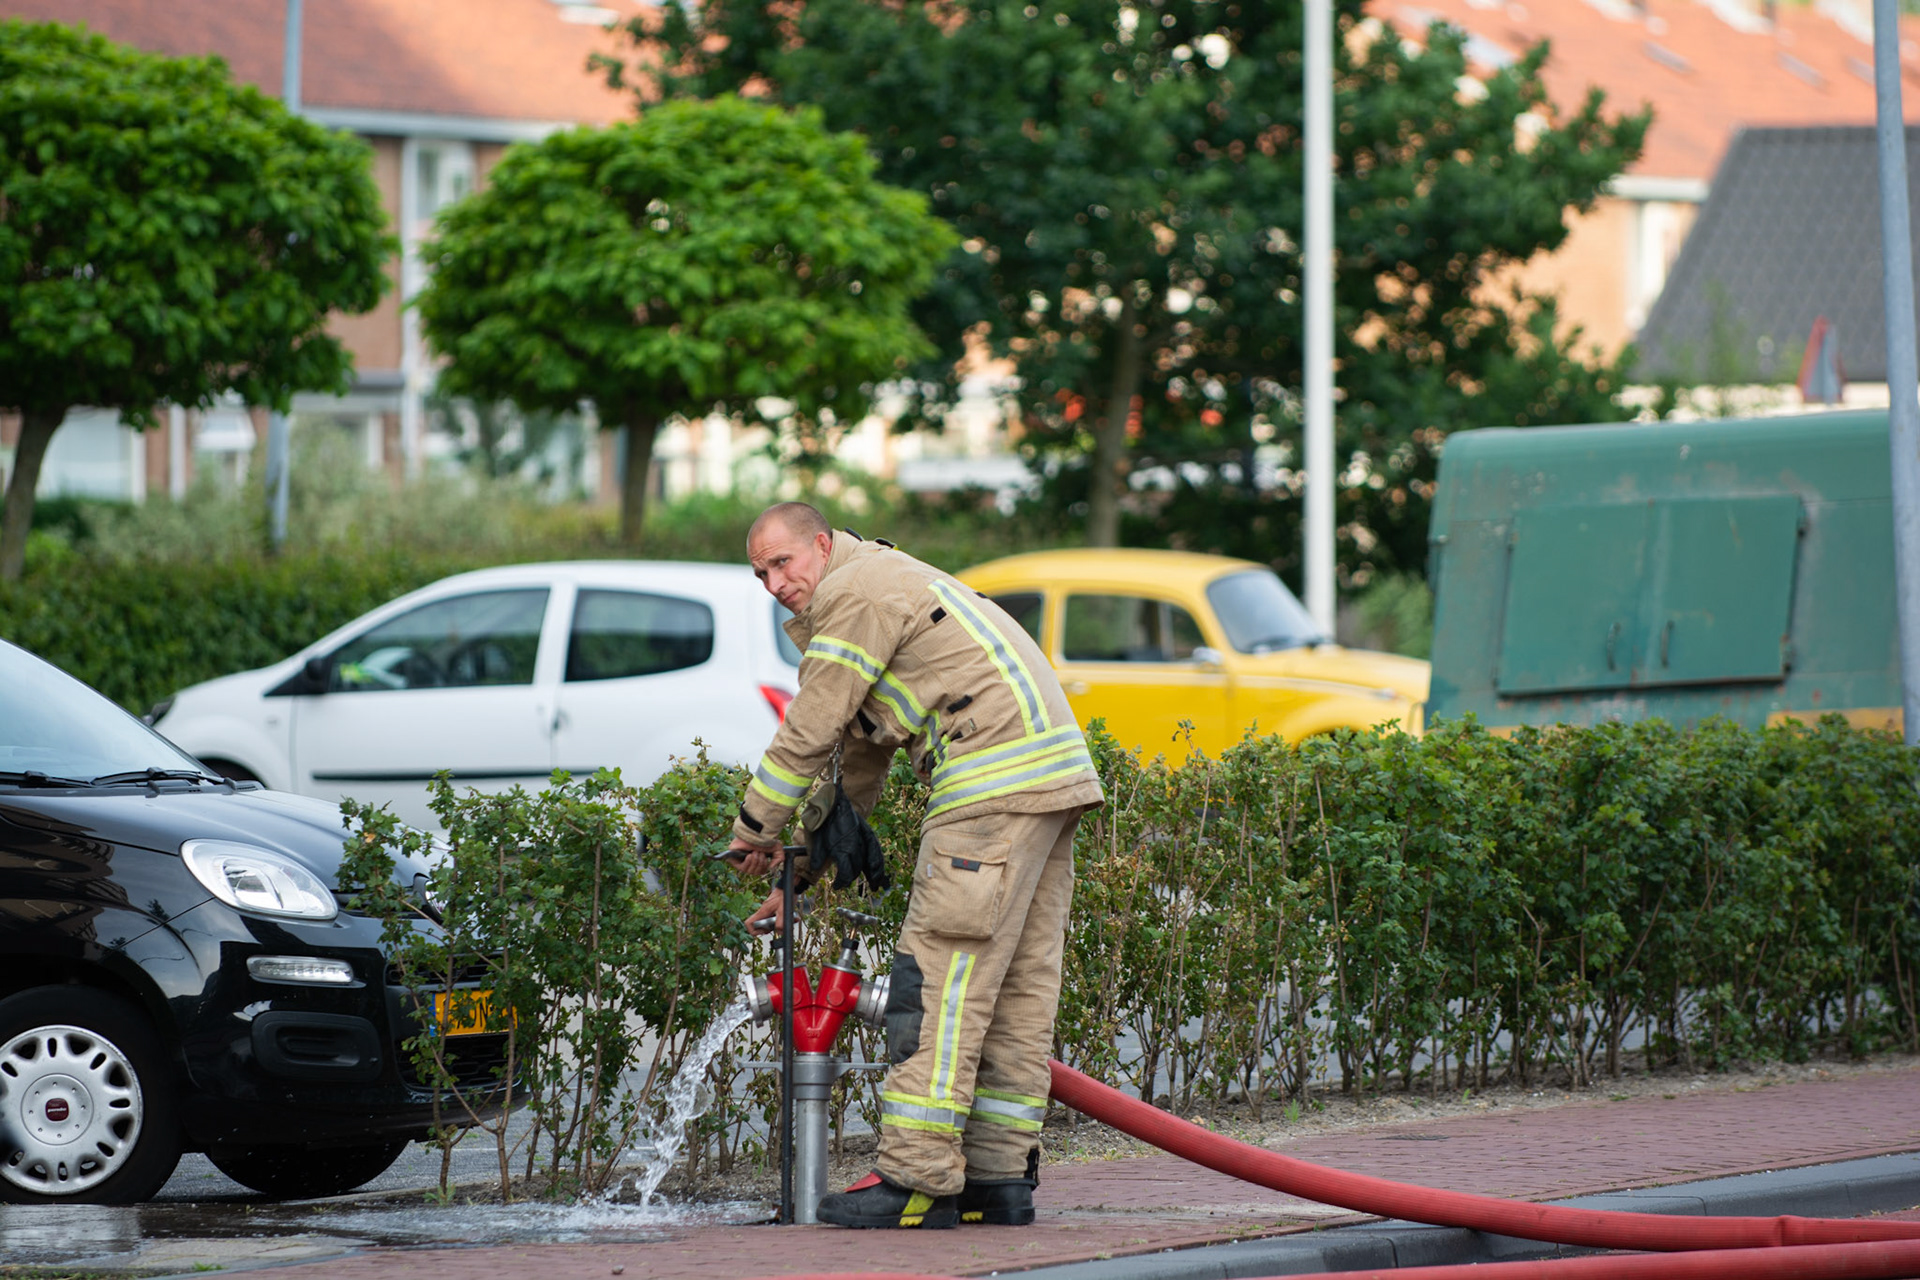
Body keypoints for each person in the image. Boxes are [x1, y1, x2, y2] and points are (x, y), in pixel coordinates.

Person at [726, 501, 1103, 1229]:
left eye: (783, 562)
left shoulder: (854, 595)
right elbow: (857, 763)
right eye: (759, 573)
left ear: (823, 546)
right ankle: (997, 1179)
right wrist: (795, 873)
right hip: (1052, 781)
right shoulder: (888, 582)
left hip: (989, 782)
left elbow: (809, 730)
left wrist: (750, 831)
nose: (774, 582)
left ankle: (917, 1179)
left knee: (940, 978)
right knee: (1019, 987)